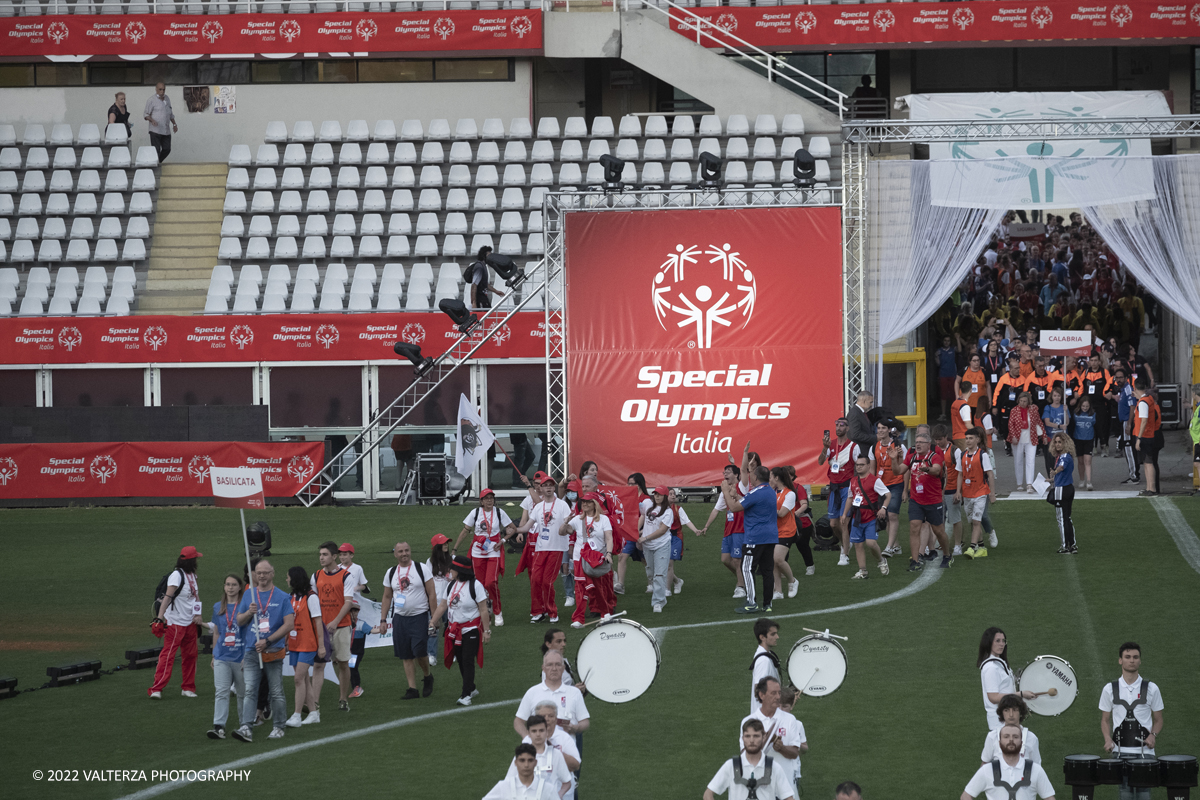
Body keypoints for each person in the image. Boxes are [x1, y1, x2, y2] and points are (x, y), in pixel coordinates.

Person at [232, 560, 294, 743]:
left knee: (276, 691)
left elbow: (289, 624)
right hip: (252, 650)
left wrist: (268, 640)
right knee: (250, 689)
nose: (262, 576)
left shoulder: (282, 597)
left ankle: (279, 727)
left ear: (272, 573)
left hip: (273, 650)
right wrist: (249, 613)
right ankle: (246, 727)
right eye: (259, 573)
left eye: (265, 573)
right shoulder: (249, 595)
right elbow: (239, 621)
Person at [1099, 642, 1165, 800]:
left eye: (1135, 657)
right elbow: (1105, 720)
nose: (1132, 660)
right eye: (1127, 657)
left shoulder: (1152, 688)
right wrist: (1108, 739)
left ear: (1140, 661)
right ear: (1120, 660)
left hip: (1145, 754)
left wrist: (1153, 735)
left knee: (1144, 795)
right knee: (1125, 795)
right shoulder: (1109, 689)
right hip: (1120, 753)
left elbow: (1158, 719)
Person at [429, 555, 491, 705]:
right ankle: (471, 687)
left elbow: (483, 610)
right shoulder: (451, 585)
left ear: (460, 570)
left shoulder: (476, 586)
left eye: (452, 568)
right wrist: (432, 621)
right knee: (462, 660)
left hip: (471, 629)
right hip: (454, 630)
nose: (449, 570)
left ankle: (466, 695)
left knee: (468, 659)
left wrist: (486, 631)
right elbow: (443, 605)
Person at [379, 541, 437, 699]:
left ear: (410, 551)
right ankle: (412, 688)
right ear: (395, 554)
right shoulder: (391, 572)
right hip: (400, 618)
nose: (404, 554)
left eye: (407, 550)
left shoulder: (421, 569)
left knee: (419, 651)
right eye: (400, 551)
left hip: (419, 616)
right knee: (405, 654)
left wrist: (434, 617)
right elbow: (387, 596)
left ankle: (427, 676)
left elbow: (432, 593)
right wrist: (383, 619)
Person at [721, 455, 779, 613]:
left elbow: (734, 508)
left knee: (747, 569)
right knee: (767, 570)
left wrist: (726, 492)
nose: (750, 477)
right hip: (770, 536)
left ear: (757, 477)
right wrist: (736, 495)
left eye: (752, 474)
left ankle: (751, 602)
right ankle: (767, 604)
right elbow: (748, 501)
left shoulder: (757, 492)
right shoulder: (769, 492)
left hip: (755, 537)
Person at [890, 432, 953, 571]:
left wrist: (928, 469)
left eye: (921, 442)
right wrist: (894, 459)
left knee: (939, 531)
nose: (917, 444)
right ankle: (915, 561)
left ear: (928, 445)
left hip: (933, 500)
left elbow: (937, 470)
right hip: (916, 500)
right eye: (916, 442)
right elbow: (897, 471)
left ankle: (947, 555)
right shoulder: (911, 457)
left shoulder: (934, 457)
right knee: (914, 527)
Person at [454, 488, 517, 626]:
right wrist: (455, 548)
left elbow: (513, 528)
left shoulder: (499, 512)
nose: (489, 501)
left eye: (491, 498)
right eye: (486, 498)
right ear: (481, 501)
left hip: (493, 550)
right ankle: (482, 610)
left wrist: (503, 541)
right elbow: (465, 531)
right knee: (479, 584)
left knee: (491, 582)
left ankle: (497, 611)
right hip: (477, 552)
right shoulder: (475, 513)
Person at [149, 545, 204, 699]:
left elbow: (196, 598)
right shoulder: (176, 576)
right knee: (168, 656)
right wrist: (159, 618)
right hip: (175, 623)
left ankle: (188, 687)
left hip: (190, 623)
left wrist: (198, 615)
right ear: (192, 560)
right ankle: (156, 688)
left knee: (191, 656)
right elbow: (167, 598)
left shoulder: (193, 576)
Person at [740, 677, 806, 799]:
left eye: (779, 693)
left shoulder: (789, 719)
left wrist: (781, 748)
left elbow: (795, 753)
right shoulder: (749, 721)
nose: (777, 697)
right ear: (762, 695)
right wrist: (765, 741)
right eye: (773, 693)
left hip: (785, 790)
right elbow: (744, 757)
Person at [518, 474, 572, 623]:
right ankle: (537, 611)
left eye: (550, 485)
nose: (548, 488)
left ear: (553, 487)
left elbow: (570, 526)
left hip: (556, 548)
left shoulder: (562, 505)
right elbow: (527, 527)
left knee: (547, 581)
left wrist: (567, 525)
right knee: (535, 579)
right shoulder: (538, 507)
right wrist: (514, 530)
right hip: (541, 548)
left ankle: (552, 611)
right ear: (540, 488)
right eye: (545, 485)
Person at [704, 718, 796, 800]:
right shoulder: (731, 765)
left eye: (756, 736)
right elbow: (708, 794)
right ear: (742, 738)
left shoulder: (774, 767)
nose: (751, 740)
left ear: (764, 737)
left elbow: (789, 797)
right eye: (747, 736)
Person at [311, 541, 354, 713]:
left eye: (325, 554)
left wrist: (335, 621)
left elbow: (348, 602)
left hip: (342, 626)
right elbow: (313, 602)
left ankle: (343, 698)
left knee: (343, 663)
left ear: (334, 556)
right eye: (320, 555)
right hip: (321, 628)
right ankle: (314, 702)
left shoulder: (346, 576)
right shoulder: (315, 576)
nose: (321, 558)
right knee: (319, 665)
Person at [960, 724, 1057, 800]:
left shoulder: (1035, 770)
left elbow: (1049, 797)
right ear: (999, 742)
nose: (1011, 740)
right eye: (1006, 737)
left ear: (1022, 742)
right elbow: (966, 796)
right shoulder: (987, 770)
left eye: (1015, 737)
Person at [283, 566, 326, 727]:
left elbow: (318, 622)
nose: (286, 579)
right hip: (294, 643)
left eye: (288, 577)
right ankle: (314, 713)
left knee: (298, 678)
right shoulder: (291, 597)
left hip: (308, 643)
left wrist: (321, 646)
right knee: (304, 680)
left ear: (294, 579)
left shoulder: (311, 597)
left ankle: (297, 714)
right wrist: (287, 640)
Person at [206, 574, 247, 739]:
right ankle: (219, 726)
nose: (230, 588)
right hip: (222, 656)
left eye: (234, 585)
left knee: (243, 693)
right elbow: (216, 631)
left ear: (240, 588)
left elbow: (250, 633)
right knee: (221, 691)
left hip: (241, 656)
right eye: (228, 584)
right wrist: (214, 654)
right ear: (224, 587)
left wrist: (247, 655)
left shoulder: (244, 607)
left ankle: (245, 725)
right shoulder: (218, 607)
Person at [565, 491, 615, 627]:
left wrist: (609, 553)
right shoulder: (577, 519)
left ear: (595, 504)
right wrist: (565, 523)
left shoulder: (604, 519)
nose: (585, 504)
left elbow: (609, 537)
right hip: (579, 558)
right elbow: (564, 531)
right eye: (584, 502)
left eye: (588, 502)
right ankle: (578, 618)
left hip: (596, 558)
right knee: (581, 587)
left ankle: (605, 613)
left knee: (599, 587)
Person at [515, 650, 590, 739]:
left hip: (566, 750)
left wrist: (576, 728)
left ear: (563, 668)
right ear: (543, 668)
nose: (554, 668)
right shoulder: (532, 692)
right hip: (540, 751)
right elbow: (518, 721)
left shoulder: (574, 692)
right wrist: (528, 738)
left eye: (558, 664)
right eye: (550, 665)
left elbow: (585, 721)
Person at [840, 455, 890, 580]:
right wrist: (844, 514)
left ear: (868, 466)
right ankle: (863, 571)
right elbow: (850, 498)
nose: (859, 467)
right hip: (857, 517)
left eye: (861, 465)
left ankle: (881, 560)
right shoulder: (853, 481)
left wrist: (883, 508)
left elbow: (888, 494)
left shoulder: (874, 480)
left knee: (871, 543)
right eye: (857, 465)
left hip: (871, 517)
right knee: (857, 544)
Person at [818, 419, 861, 566]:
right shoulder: (831, 444)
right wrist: (825, 448)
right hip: (833, 488)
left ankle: (845, 555)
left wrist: (858, 485)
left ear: (848, 428)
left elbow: (860, 465)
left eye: (842, 425)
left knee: (843, 522)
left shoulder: (854, 447)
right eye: (836, 425)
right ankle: (845, 543)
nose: (838, 427)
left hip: (847, 488)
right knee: (833, 524)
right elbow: (820, 461)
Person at [702, 464, 747, 598]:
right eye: (724, 472)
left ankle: (741, 586)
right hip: (729, 530)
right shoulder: (724, 492)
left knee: (737, 560)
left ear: (736, 475)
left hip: (740, 529)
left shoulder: (742, 487)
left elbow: (744, 470)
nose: (725, 474)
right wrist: (706, 526)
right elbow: (716, 509)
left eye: (728, 472)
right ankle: (744, 578)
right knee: (726, 559)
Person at [978, 627, 1036, 730]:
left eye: (1003, 641)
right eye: (997, 641)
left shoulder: (1000, 663)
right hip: (1000, 723)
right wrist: (1021, 694)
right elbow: (993, 697)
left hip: (1008, 720)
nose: (1001, 644)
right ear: (989, 642)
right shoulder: (991, 667)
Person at [505, 715, 572, 798]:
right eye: (534, 731)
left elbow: (567, 782)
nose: (538, 734)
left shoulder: (556, 754)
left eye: (541, 730)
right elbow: (508, 782)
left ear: (547, 732)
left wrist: (558, 795)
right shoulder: (521, 756)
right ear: (529, 733)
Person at [959, 428, 997, 558]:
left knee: (976, 521)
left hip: (980, 493)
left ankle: (971, 547)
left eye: (971, 438)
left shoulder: (983, 455)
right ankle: (982, 547)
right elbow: (960, 474)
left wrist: (992, 493)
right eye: (967, 438)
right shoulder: (962, 455)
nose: (968, 441)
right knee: (972, 522)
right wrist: (959, 491)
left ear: (977, 440)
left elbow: (990, 474)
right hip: (967, 493)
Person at [336, 543, 368, 698]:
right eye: (341, 554)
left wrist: (356, 588)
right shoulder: (336, 568)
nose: (343, 557)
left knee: (353, 639)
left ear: (352, 555)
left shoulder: (357, 568)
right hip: (340, 606)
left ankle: (356, 685)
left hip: (354, 606)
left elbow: (364, 585)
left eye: (346, 554)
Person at [871, 422, 907, 558]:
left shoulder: (898, 446)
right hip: (880, 485)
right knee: (884, 517)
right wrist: (872, 486)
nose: (880, 430)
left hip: (895, 483)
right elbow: (872, 468)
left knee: (892, 515)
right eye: (878, 428)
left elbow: (905, 466)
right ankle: (896, 545)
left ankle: (889, 547)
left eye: (883, 428)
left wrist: (905, 489)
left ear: (888, 430)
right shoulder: (874, 446)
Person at [636, 486, 674, 613]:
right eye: (656, 494)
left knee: (659, 574)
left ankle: (658, 601)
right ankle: (658, 596)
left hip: (661, 545)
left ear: (665, 496)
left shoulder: (668, 512)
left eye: (660, 494)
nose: (657, 496)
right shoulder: (647, 503)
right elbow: (641, 515)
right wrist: (637, 532)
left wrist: (645, 537)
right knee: (651, 572)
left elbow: (662, 530)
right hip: (647, 546)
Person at [483, 744, 560, 800]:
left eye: (530, 760)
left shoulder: (548, 789)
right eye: (522, 760)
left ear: (535, 763)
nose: (526, 765)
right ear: (515, 763)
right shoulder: (503, 786)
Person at [981, 695, 1041, 765]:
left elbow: (1036, 766)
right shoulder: (992, 736)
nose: (1011, 714)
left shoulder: (1031, 738)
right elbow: (985, 764)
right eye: (1006, 710)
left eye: (1015, 710)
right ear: (1002, 713)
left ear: (1020, 712)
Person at [768, 468, 800, 600]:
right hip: (773, 531)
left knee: (778, 559)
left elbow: (781, 513)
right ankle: (778, 590)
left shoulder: (790, 494)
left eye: (770, 476)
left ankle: (792, 581)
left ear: (776, 478)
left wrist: (766, 508)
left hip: (786, 530)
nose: (769, 479)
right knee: (773, 561)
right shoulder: (772, 492)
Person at [1008, 392, 1047, 494]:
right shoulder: (1014, 410)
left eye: (1025, 401)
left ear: (1028, 401)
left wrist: (1044, 435)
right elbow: (1010, 424)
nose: (1022, 403)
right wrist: (1013, 437)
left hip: (1031, 438)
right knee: (1018, 461)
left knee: (1031, 460)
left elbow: (1039, 422)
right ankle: (1019, 483)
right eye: (1021, 401)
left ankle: (1029, 484)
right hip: (1018, 439)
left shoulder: (1033, 410)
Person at [1047, 433, 1078, 554]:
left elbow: (1061, 467)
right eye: (1056, 442)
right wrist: (1052, 479)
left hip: (1061, 490)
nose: (1057, 444)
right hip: (1069, 487)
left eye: (1060, 442)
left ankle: (1065, 545)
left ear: (1065, 443)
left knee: (1061, 518)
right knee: (1067, 517)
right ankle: (1073, 544)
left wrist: (1055, 472)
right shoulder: (1066, 456)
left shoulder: (1064, 457)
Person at [1132, 378, 1162, 496]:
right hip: (1148, 434)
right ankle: (1149, 487)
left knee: (1148, 462)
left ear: (1135, 388)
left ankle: (1152, 488)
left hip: (1145, 435)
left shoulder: (1143, 402)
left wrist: (1139, 438)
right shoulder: (1148, 399)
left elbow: (1144, 420)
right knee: (1146, 462)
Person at [426, 534, 453, 667]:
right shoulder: (430, 562)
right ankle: (432, 655)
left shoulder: (452, 559)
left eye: (447, 543)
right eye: (443, 543)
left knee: (451, 629)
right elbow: (427, 582)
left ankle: (451, 653)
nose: (446, 545)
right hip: (435, 601)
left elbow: (456, 578)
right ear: (437, 547)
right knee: (433, 628)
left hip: (450, 600)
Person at [993, 353, 1027, 456]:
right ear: (1010, 369)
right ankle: (1008, 446)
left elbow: (1026, 394)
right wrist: (994, 406)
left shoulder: (1023, 379)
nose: (1018, 370)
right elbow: (996, 393)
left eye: (1019, 368)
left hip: (1018, 408)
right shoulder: (1003, 379)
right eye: (1016, 368)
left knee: (1019, 427)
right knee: (1006, 428)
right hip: (1006, 408)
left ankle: (1019, 446)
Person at [1114, 369, 1141, 484]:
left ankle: (1134, 476)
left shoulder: (1128, 389)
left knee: (1129, 448)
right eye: (1117, 378)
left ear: (1126, 378)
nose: (1118, 380)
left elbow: (1132, 407)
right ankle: (1134, 473)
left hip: (1127, 421)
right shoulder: (1122, 390)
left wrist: (1129, 424)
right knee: (1127, 448)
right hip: (1124, 421)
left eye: (1120, 377)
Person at [750, 618, 781, 713]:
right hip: (766, 720)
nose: (777, 637)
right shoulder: (764, 661)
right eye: (773, 634)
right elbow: (760, 692)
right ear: (762, 637)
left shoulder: (766, 656)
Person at [143, 82, 177, 163]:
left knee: (167, 149)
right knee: (156, 150)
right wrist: (152, 120)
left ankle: (157, 162)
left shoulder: (167, 99)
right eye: (160, 89)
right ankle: (156, 165)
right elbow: (145, 114)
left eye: (163, 89)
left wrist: (174, 124)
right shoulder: (151, 100)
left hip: (166, 129)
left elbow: (170, 113)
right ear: (156, 89)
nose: (162, 91)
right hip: (155, 130)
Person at [1041, 387, 1070, 475]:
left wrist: (1065, 411)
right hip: (1051, 437)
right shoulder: (1048, 407)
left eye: (1058, 396)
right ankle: (1051, 478)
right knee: (1050, 460)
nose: (1057, 398)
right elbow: (1047, 422)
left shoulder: (1064, 407)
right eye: (1055, 396)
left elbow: (1067, 422)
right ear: (1052, 397)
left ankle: (1060, 477)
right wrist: (1059, 426)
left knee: (1061, 459)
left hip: (1062, 438)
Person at [467, 246, 504, 310]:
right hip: (480, 298)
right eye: (488, 255)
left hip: (483, 297)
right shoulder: (479, 267)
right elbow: (474, 285)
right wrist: (474, 302)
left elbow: (484, 284)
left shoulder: (483, 266)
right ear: (484, 256)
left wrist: (496, 291)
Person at [1072, 398, 1097, 490]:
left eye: (1087, 406)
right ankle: (1081, 479)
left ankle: (1089, 481)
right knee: (1080, 461)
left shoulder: (1093, 414)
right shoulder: (1075, 414)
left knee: (1088, 461)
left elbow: (1095, 424)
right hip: (1078, 439)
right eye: (1083, 406)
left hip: (1088, 439)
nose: (1085, 408)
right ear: (1080, 406)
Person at [951, 380, 975, 451]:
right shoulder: (964, 406)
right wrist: (977, 433)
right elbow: (968, 424)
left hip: (955, 436)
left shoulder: (955, 403)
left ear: (960, 390)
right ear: (970, 390)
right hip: (963, 437)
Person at [1191, 384, 1200, 488]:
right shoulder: (1198, 407)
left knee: (1198, 464)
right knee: (1197, 463)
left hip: (1199, 440)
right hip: (1197, 440)